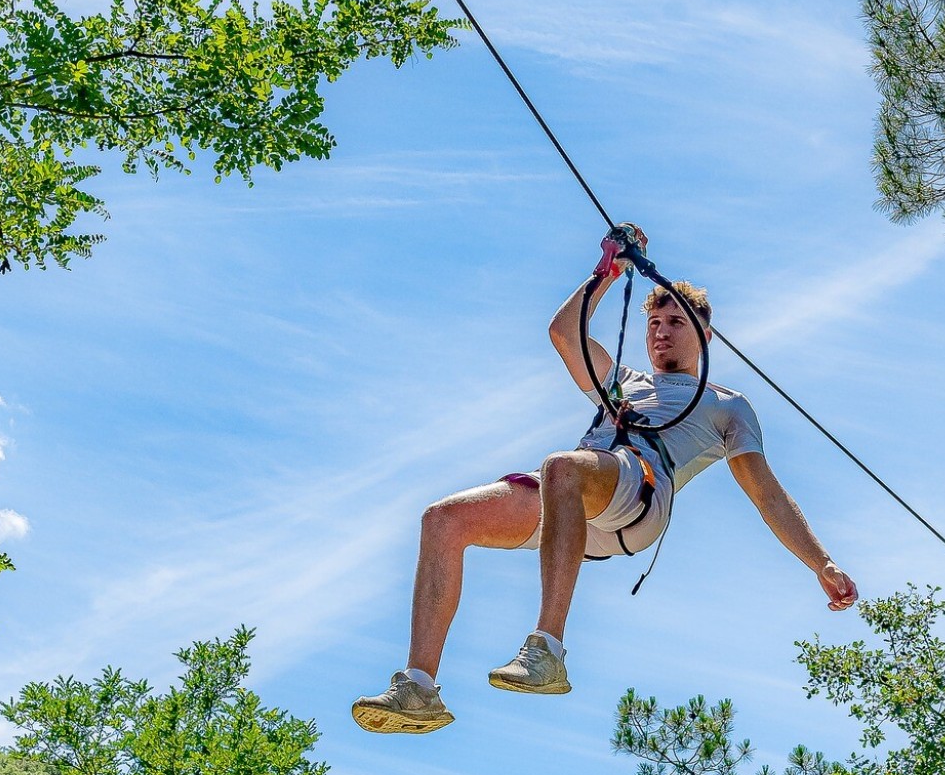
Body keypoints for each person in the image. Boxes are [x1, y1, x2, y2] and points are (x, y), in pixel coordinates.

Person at [352, 226, 859, 735]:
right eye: (655, 322)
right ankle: (419, 687)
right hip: (574, 500)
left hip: (639, 497)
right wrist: (609, 271)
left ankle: (547, 650)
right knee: (444, 519)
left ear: (704, 335)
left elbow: (764, 491)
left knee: (562, 465)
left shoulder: (725, 404)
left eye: (676, 323)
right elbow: (562, 334)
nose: (662, 332)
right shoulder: (623, 381)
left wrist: (822, 562)